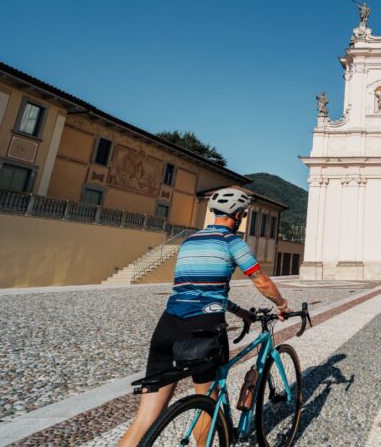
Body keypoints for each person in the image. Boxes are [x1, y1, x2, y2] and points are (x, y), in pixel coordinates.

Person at [119, 187, 292, 447]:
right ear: (239, 215)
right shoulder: (232, 242)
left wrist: (238, 311)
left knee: (144, 420)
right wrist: (282, 304)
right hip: (203, 329)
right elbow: (261, 281)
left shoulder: (190, 241)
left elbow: (198, 288)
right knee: (207, 405)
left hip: (167, 326)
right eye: (243, 214)